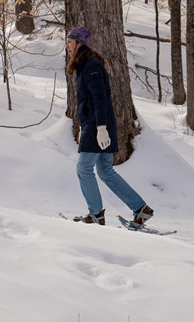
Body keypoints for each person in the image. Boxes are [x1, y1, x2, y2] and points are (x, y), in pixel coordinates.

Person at [65, 26, 153, 227]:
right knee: (105, 171)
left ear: (80, 43)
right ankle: (141, 209)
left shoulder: (91, 65)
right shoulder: (83, 66)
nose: (67, 46)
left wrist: (101, 128)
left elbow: (100, 98)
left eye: (70, 41)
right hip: (95, 125)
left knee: (83, 168)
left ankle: (96, 215)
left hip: (98, 126)